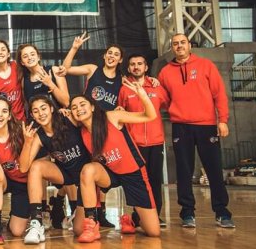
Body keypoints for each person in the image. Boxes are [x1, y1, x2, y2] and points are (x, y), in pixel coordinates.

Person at [157, 33, 235, 228]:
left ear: (189, 45)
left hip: (206, 124)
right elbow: (163, 99)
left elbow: (219, 95)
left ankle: (222, 212)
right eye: (175, 44)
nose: (179, 46)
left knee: (214, 169)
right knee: (184, 171)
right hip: (181, 126)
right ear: (172, 48)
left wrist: (222, 120)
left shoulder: (206, 65)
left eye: (182, 42)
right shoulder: (165, 72)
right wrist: (177, 109)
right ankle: (187, 213)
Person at [68, 86, 160, 242]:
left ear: (92, 107)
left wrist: (143, 96)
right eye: (74, 107)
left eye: (82, 104)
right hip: (109, 173)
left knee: (153, 232)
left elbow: (150, 115)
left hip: (133, 172)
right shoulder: (82, 132)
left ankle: (130, 220)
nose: (78, 109)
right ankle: (91, 223)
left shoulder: (111, 117)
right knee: (88, 170)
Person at [58, 32, 125, 227]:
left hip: (104, 130)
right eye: (109, 53)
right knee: (82, 168)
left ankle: (100, 212)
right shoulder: (93, 69)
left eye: (116, 54)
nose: (112, 56)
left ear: (120, 60)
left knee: (102, 168)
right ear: (105, 56)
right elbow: (65, 69)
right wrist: (75, 47)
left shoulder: (122, 80)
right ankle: (81, 209)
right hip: (84, 125)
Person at [19, 96, 92, 244]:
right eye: (36, 111)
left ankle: (86, 213)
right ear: (32, 115)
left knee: (79, 230)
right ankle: (36, 223)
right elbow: (23, 167)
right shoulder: (39, 136)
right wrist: (27, 142)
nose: (41, 113)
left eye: (44, 108)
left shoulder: (69, 119)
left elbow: (89, 118)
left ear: (52, 109)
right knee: (36, 167)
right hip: (65, 174)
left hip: (86, 176)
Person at [16, 43, 71, 229]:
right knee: (37, 169)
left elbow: (65, 100)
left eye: (32, 53)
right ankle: (43, 210)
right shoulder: (25, 80)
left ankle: (60, 201)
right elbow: (26, 106)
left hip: (59, 126)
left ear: (38, 55)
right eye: (25, 56)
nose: (29, 57)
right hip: (39, 128)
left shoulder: (53, 70)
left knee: (69, 164)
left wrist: (50, 84)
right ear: (22, 62)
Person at [118, 54, 170, 227]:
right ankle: (138, 216)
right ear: (129, 68)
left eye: (140, 63)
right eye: (132, 64)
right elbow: (120, 113)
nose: (136, 67)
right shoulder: (124, 89)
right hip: (135, 144)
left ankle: (156, 215)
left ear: (146, 67)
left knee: (155, 180)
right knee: (139, 181)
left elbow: (168, 105)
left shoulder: (157, 87)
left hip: (155, 143)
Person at [0, 97, 30, 244]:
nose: (0, 115)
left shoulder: (20, 133)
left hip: (21, 181)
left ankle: (13, 219)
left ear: (9, 116)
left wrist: (28, 143)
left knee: (17, 231)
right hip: (2, 180)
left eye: (4, 111)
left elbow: (25, 166)